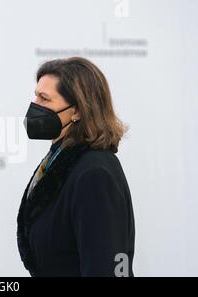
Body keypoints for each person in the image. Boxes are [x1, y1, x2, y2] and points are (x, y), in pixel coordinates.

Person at [17, 57, 135, 277]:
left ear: (78, 111)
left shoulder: (95, 174)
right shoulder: (59, 159)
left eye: (44, 99)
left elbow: (106, 267)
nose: (34, 105)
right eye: (35, 95)